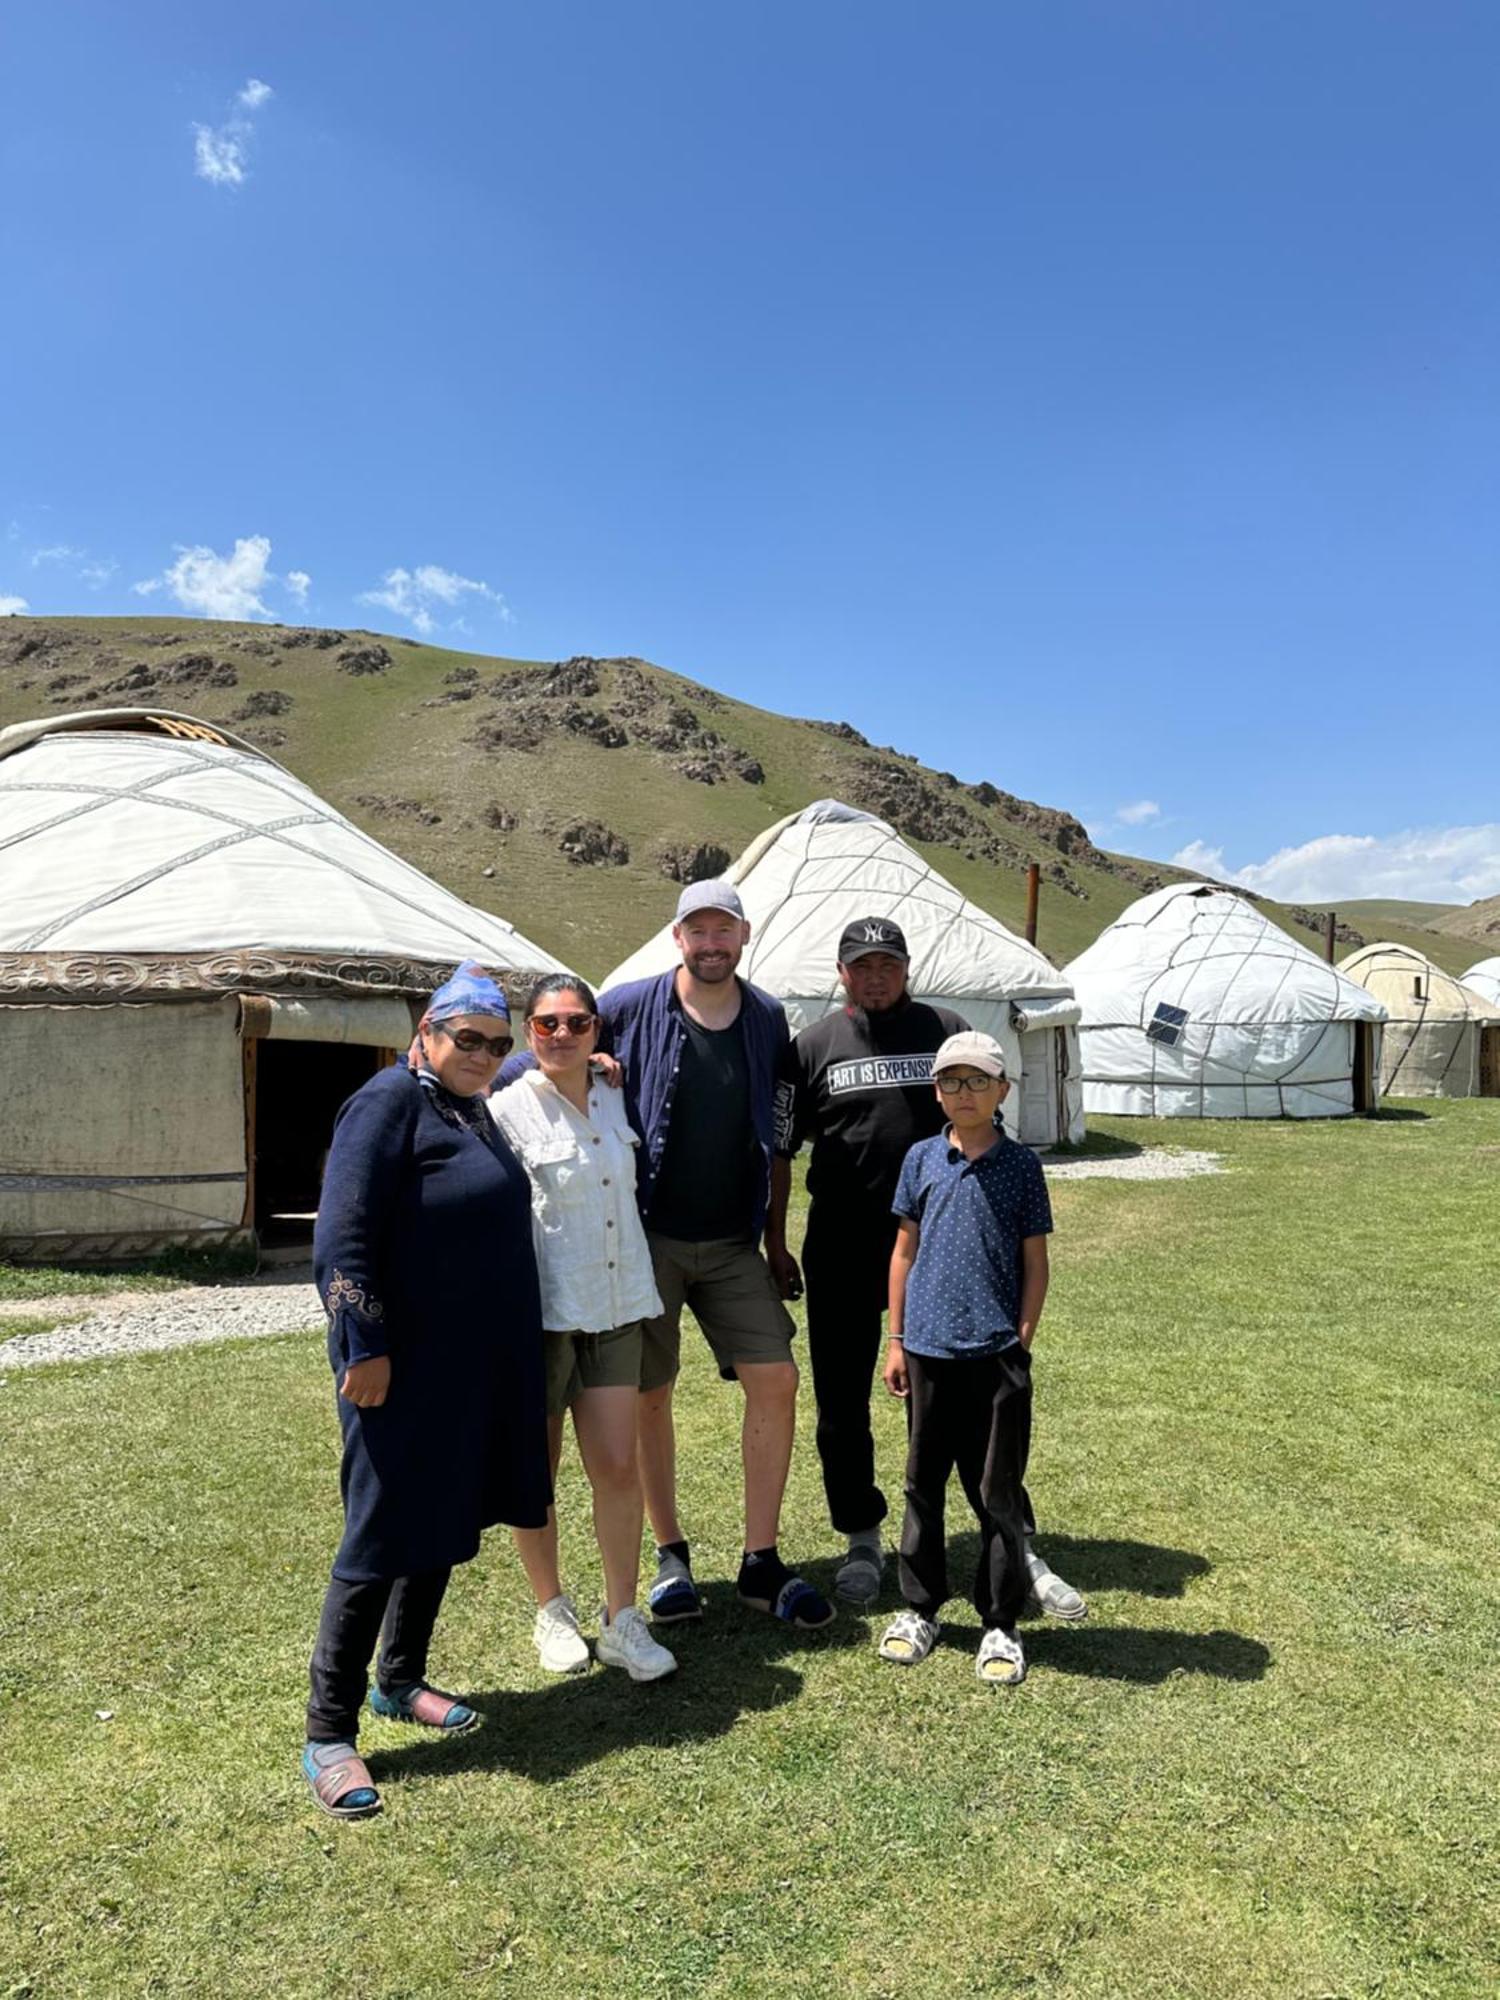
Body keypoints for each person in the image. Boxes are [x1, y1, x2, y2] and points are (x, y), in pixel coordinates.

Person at [769, 917, 1085, 1620]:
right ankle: (861, 1538)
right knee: (842, 1406)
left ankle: (1015, 1542)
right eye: (862, 965)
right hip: (845, 1247)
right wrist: (774, 1242)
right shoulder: (811, 1047)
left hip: (943, 1247)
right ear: (842, 973)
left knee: (975, 1403)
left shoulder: (945, 1027)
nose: (875, 976)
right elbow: (781, 1152)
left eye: (888, 963)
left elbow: (981, 1116)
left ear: (907, 968)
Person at [302, 962, 550, 1820]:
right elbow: (343, 1235)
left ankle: (399, 1680)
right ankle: (329, 1732)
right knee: (380, 1531)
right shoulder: (386, 1105)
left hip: (475, 1365)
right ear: (427, 1036)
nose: (484, 1053)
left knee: (443, 1520)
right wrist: (362, 1342)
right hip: (398, 1366)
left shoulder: (473, 1108)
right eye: (467, 1039)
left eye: (497, 1042)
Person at [579, 880, 833, 1629]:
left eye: (724, 931)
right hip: (647, 1234)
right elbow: (549, 1059)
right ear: (678, 937)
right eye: (699, 931)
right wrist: (594, 1070)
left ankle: (760, 1560)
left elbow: (777, 1134)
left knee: (776, 1378)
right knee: (649, 1392)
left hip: (731, 1240)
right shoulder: (625, 1007)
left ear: (744, 937)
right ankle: (671, 1556)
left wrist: (775, 1238)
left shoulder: (766, 1018)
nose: (712, 943)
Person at [489, 973, 677, 1683]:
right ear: (528, 1031)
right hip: (541, 1313)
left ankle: (622, 1619)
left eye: (577, 1022)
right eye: (546, 1024)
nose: (562, 1035)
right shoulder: (506, 1109)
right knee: (537, 1474)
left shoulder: (615, 1096)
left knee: (618, 1467)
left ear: (599, 1029)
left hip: (615, 1303)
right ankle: (552, 1609)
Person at [877, 1032, 1051, 1686]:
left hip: (995, 1354)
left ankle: (1000, 1621)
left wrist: (1021, 1337)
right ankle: (920, 1607)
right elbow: (903, 1251)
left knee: (996, 1491)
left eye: (978, 1081)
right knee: (923, 1484)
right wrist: (896, 1338)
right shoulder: (922, 1158)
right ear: (936, 1092)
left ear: (1003, 1089)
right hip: (925, 1349)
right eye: (951, 1081)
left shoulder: (1020, 1166)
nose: (964, 1093)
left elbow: (1035, 1263)